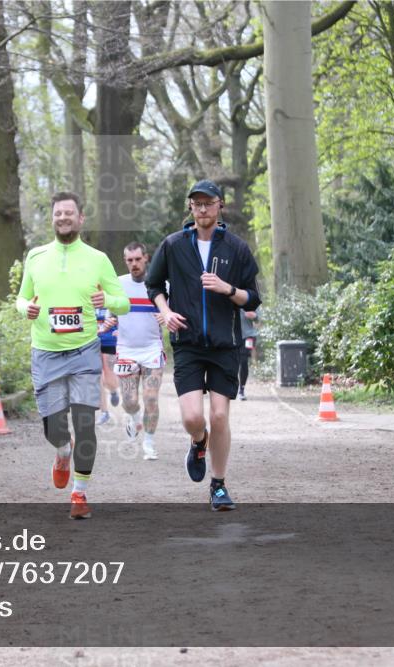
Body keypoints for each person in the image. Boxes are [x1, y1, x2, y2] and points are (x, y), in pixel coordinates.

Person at [145, 179, 261, 511]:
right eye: (197, 204)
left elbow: (252, 297)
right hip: (189, 343)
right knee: (194, 417)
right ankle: (198, 442)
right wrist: (166, 313)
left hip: (226, 344)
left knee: (220, 416)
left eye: (208, 203)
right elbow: (154, 284)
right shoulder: (174, 245)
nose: (202, 209)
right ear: (190, 208)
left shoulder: (236, 248)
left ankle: (219, 485)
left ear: (220, 205)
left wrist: (227, 288)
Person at [16, 191, 130, 520]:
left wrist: (105, 299)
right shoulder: (36, 257)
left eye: (69, 213)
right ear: (52, 219)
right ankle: (62, 452)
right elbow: (21, 299)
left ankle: (79, 493)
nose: (63, 218)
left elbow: (121, 301)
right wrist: (28, 308)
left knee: (85, 423)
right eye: (58, 214)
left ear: (81, 219)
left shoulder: (98, 259)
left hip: (83, 351)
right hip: (46, 352)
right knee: (54, 428)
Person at [113, 242, 166, 460]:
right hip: (126, 349)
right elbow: (110, 311)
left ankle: (149, 444)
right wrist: (108, 322)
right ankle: (134, 417)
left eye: (137, 259)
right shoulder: (118, 284)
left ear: (146, 258)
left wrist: (166, 315)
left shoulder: (162, 285)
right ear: (125, 261)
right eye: (129, 260)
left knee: (151, 398)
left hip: (152, 348)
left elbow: (173, 311)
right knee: (129, 401)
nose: (134, 264)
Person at [95, 308, 120, 425]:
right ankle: (104, 412)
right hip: (92, 342)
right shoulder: (87, 298)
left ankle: (113, 390)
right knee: (97, 377)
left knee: (109, 379)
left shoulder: (113, 299)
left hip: (110, 342)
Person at [237, 307, 260, 400]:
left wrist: (254, 316)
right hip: (232, 336)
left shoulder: (251, 298)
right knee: (232, 361)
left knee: (243, 361)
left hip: (249, 336)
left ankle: (241, 389)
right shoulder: (229, 295)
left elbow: (258, 318)